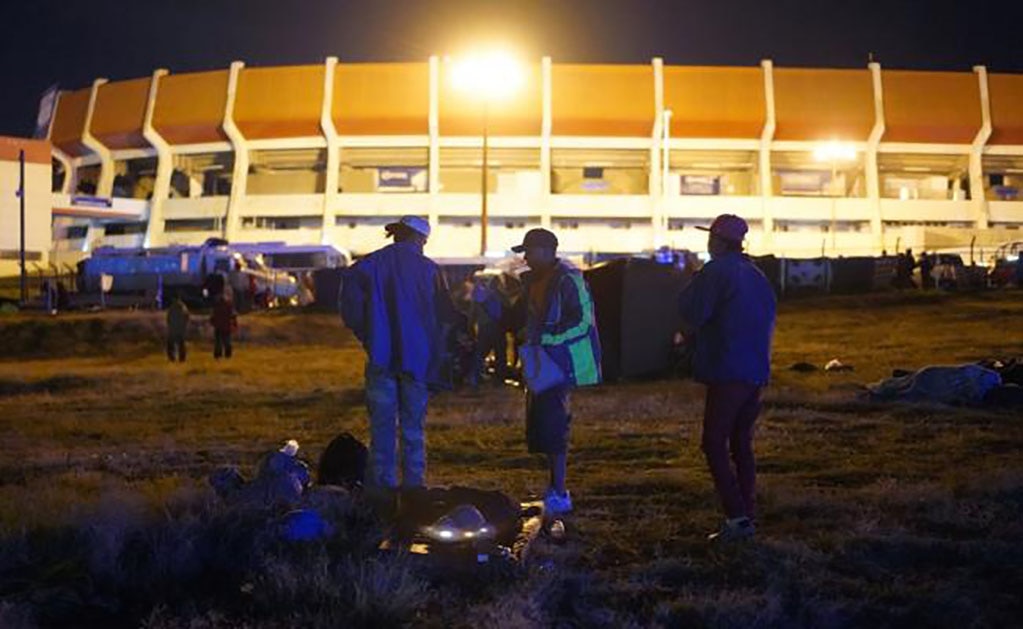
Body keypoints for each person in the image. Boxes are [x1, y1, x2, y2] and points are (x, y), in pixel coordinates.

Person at [678, 214, 776, 543]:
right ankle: (746, 513)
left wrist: (694, 280)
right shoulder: (756, 274)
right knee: (741, 443)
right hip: (755, 370)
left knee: (713, 443)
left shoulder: (716, 271)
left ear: (719, 241)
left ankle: (736, 518)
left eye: (711, 238)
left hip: (727, 368)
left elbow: (692, 312)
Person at [340, 215, 456, 492]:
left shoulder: (366, 266)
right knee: (413, 428)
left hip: (380, 358)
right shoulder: (430, 270)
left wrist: (368, 334)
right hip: (419, 361)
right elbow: (445, 317)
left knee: (382, 428)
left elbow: (350, 308)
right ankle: (414, 489)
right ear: (420, 238)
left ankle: (384, 490)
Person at [511, 228, 601, 516]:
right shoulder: (533, 282)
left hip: (559, 361)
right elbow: (518, 319)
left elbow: (583, 322)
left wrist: (546, 338)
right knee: (543, 426)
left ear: (546, 250)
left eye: (528, 251)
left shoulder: (568, 279)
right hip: (542, 360)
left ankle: (559, 492)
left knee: (553, 424)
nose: (525, 258)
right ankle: (554, 489)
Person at [210, 293, 237, 359]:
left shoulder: (217, 306)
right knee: (226, 341)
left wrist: (213, 323)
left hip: (219, 327)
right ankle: (227, 354)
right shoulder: (228, 305)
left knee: (218, 342)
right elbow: (233, 315)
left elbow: (213, 316)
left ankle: (218, 355)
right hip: (225, 327)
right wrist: (234, 324)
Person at [166, 296, 190, 362]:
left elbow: (168, 318)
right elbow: (187, 317)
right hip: (181, 329)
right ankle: (182, 358)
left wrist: (170, 326)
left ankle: (172, 357)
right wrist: (184, 326)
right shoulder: (183, 307)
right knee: (181, 344)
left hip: (173, 329)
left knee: (171, 344)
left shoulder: (172, 308)